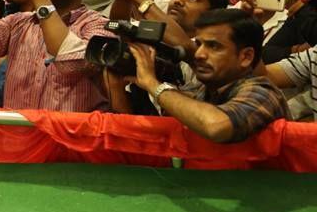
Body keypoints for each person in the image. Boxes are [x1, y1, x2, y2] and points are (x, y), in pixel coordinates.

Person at [116, 9, 287, 143]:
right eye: (198, 44)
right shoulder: (206, 91)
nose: (199, 54)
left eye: (213, 46)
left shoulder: (263, 92)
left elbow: (216, 126)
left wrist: (153, 85)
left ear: (246, 57)